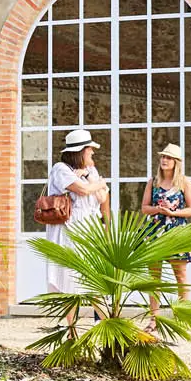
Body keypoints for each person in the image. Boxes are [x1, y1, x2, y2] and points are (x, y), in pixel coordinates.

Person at [44, 128, 110, 306]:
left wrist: (90, 177)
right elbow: (83, 190)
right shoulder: (60, 169)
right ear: (81, 151)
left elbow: (103, 197)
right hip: (68, 230)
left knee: (95, 279)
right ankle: (71, 322)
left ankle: (103, 320)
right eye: (90, 149)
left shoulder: (91, 171)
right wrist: (100, 183)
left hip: (90, 228)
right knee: (67, 279)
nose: (93, 152)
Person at [139, 142, 191, 304]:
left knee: (181, 276)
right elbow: (144, 208)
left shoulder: (184, 182)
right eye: (163, 157)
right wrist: (157, 209)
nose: (164, 160)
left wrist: (173, 213)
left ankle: (183, 314)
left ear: (176, 162)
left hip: (176, 232)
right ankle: (154, 316)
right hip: (154, 231)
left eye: (169, 158)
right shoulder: (153, 182)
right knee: (154, 278)